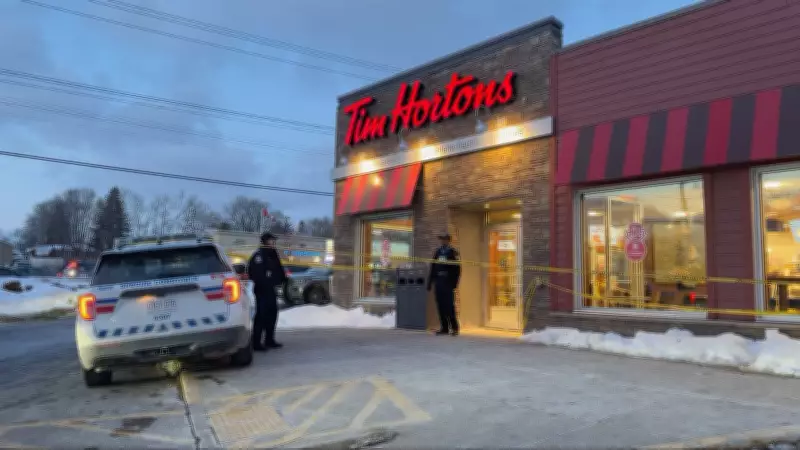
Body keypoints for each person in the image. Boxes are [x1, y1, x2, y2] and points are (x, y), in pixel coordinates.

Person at [247, 232, 287, 351]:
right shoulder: (259, 256)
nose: (273, 243)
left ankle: (269, 340)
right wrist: (266, 282)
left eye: (274, 241)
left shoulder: (273, 254)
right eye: (271, 241)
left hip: (271, 290)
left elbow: (279, 269)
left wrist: (283, 279)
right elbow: (256, 274)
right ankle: (256, 343)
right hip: (262, 291)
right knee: (261, 316)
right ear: (265, 242)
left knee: (272, 315)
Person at [427, 233, 461, 336]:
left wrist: (454, 283)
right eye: (441, 239)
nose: (442, 241)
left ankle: (454, 327)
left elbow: (457, 269)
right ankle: (444, 327)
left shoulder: (453, 252)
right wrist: (430, 282)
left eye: (444, 239)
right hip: (439, 282)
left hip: (448, 283)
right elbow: (433, 267)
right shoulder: (437, 252)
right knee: (440, 306)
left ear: (448, 240)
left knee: (449, 306)